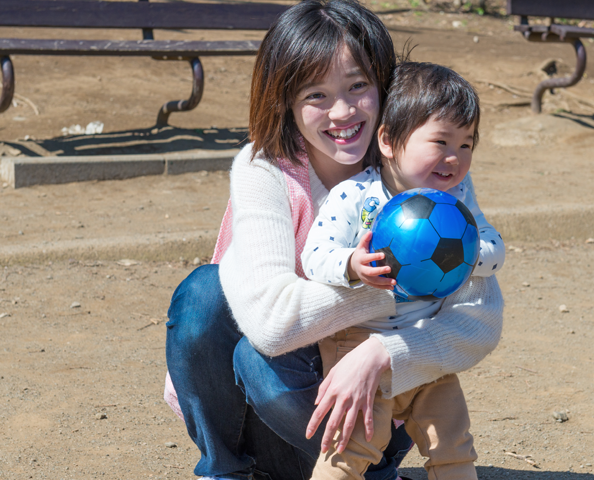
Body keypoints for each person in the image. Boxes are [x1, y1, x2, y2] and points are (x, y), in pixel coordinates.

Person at [165, 1, 503, 479]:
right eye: (316, 94)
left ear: (384, 84)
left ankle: (369, 468)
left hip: (379, 407)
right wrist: (391, 280)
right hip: (287, 406)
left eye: (359, 86)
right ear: (284, 100)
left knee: (284, 356)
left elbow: (481, 319)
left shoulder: (428, 174)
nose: (342, 111)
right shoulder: (266, 169)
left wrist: (384, 352)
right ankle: (225, 470)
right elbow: (271, 324)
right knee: (204, 296)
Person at [299, 62, 504, 479]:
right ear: (389, 141)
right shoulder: (356, 195)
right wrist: (352, 265)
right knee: (349, 447)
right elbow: (314, 255)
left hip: (425, 347)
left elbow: (495, 248)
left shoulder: (459, 198)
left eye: (467, 144)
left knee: (453, 443)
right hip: (358, 345)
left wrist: (468, 257)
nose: (456, 158)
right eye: (441, 141)